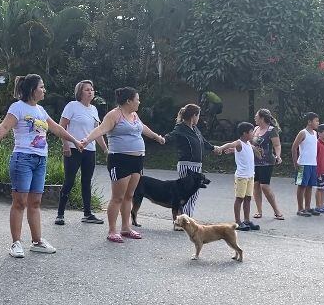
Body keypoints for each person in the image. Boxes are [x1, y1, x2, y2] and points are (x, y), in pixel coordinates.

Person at [0, 74, 83, 257]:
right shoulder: (18, 107)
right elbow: (4, 127)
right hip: (23, 159)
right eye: (41, 87)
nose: (44, 90)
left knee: (35, 202)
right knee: (19, 202)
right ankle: (16, 243)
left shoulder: (41, 111)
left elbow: (57, 128)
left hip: (40, 159)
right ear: (32, 89)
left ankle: (37, 241)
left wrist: (75, 141)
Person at [81, 87, 165, 243]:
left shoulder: (134, 115)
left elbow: (143, 128)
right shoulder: (114, 115)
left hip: (137, 160)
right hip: (120, 160)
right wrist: (86, 140)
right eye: (137, 99)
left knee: (129, 196)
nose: (139, 102)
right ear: (129, 101)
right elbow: (100, 129)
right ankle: (112, 230)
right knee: (118, 197)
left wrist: (156, 137)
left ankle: (126, 228)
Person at [55, 80, 108, 225]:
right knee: (69, 181)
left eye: (92, 89)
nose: (90, 92)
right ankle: (60, 214)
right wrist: (65, 145)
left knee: (86, 181)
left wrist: (105, 149)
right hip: (73, 149)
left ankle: (87, 214)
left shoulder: (94, 110)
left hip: (89, 150)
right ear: (80, 92)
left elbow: (98, 132)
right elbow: (61, 126)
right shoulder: (72, 106)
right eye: (87, 89)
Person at [162, 104, 221, 221]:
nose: (199, 118)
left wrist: (214, 148)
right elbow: (171, 136)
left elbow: (203, 142)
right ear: (194, 115)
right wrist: (162, 139)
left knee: (194, 194)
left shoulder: (194, 129)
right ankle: (184, 220)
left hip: (197, 165)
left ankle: (187, 219)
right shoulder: (180, 128)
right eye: (198, 115)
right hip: (186, 165)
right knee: (187, 193)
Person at [216, 122, 260, 231]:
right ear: (244, 133)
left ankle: (246, 220)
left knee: (248, 198)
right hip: (241, 176)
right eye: (251, 132)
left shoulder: (248, 144)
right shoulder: (239, 143)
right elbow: (230, 144)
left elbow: (249, 151)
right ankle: (238, 222)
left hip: (250, 175)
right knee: (239, 198)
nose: (253, 134)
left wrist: (258, 152)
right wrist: (220, 148)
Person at [251, 109, 285, 220]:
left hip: (267, 162)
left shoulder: (271, 130)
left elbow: (277, 145)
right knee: (256, 185)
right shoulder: (255, 129)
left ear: (261, 118)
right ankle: (259, 211)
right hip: (254, 162)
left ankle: (277, 210)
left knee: (264, 186)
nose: (255, 118)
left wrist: (278, 156)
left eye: (256, 116)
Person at [291, 112, 321, 217]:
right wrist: (295, 162)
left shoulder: (315, 133)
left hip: (313, 164)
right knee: (301, 186)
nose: (318, 123)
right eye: (316, 121)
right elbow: (294, 147)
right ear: (309, 121)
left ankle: (308, 207)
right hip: (303, 163)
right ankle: (300, 208)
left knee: (310, 186)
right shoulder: (303, 133)